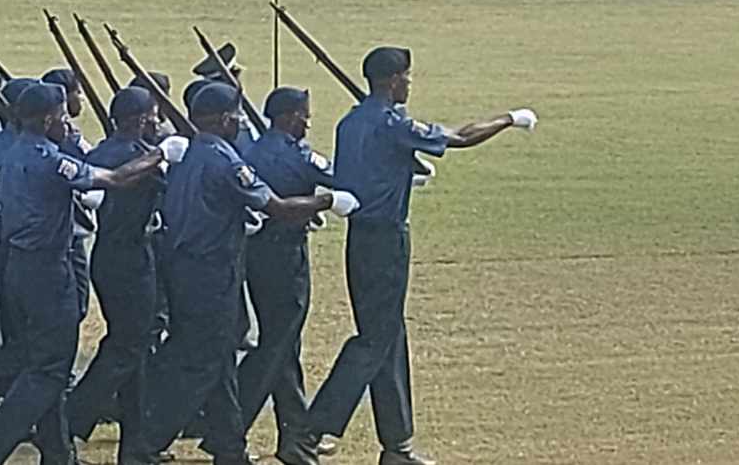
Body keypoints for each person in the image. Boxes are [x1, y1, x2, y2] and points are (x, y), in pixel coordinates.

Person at [306, 46, 534, 462]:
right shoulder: (393, 122)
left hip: (360, 236)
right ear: (393, 79)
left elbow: (356, 175)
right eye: (407, 76)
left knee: (390, 338)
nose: (410, 82)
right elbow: (460, 137)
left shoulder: (350, 122)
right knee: (376, 339)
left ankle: (398, 444)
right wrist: (509, 119)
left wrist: (406, 171)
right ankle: (314, 426)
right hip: (385, 240)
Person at [119, 83, 343, 465]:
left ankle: (230, 448)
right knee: (200, 364)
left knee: (220, 359)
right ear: (225, 119)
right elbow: (279, 207)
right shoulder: (225, 160)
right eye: (237, 115)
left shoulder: (185, 154)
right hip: (211, 275)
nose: (239, 121)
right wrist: (327, 200)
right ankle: (143, 446)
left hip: (183, 268)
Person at [0, 83, 165, 465]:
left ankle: (57, 453)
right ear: (50, 119)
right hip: (47, 270)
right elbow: (113, 180)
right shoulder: (48, 158)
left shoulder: (11, 149)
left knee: (40, 362)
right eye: (63, 116)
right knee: (49, 371)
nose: (68, 123)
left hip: (19, 265)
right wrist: (162, 155)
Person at [236, 87, 339, 465]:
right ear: (290, 116)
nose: (308, 121)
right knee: (277, 346)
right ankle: (228, 429)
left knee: (285, 345)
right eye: (304, 114)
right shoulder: (299, 155)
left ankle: (296, 436)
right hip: (286, 256)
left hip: (256, 256)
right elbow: (340, 179)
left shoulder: (253, 151)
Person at [63, 87, 167, 444]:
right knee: (130, 344)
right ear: (139, 119)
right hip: (132, 257)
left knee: (132, 343)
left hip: (106, 254)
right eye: (154, 114)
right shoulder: (141, 157)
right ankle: (75, 413)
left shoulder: (100, 150)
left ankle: (136, 436)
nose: (158, 121)